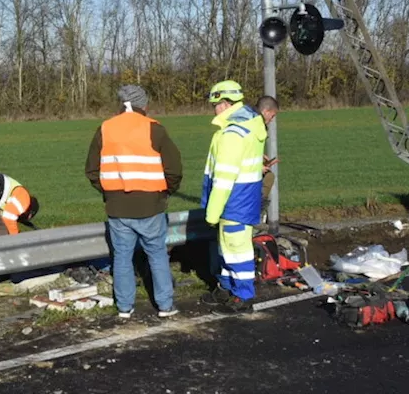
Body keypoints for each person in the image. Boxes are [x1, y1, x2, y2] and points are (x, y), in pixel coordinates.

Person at [85, 84, 184, 320]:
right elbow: (174, 169)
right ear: (144, 105)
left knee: (122, 257)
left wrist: (110, 191)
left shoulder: (105, 128)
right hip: (151, 205)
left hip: (117, 207)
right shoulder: (154, 129)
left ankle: (124, 307)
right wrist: (164, 192)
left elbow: (92, 170)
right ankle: (165, 306)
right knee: (157, 255)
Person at [200, 81, 272, 312]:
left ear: (224, 103)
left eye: (215, 104)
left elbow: (224, 179)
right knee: (229, 249)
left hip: (234, 203)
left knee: (236, 250)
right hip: (242, 200)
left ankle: (243, 296)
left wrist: (211, 213)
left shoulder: (232, 134)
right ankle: (226, 289)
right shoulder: (249, 127)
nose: (213, 109)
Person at [0, 167, 40, 235]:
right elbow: (8, 218)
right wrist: (16, 238)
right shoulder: (24, 198)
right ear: (29, 214)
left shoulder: (13, 197)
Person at [255, 96, 280, 217]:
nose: (271, 120)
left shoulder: (256, 124)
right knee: (268, 177)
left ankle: (257, 212)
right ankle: (255, 212)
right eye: (272, 116)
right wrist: (258, 168)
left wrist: (261, 159)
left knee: (269, 177)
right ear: (265, 111)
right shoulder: (254, 126)